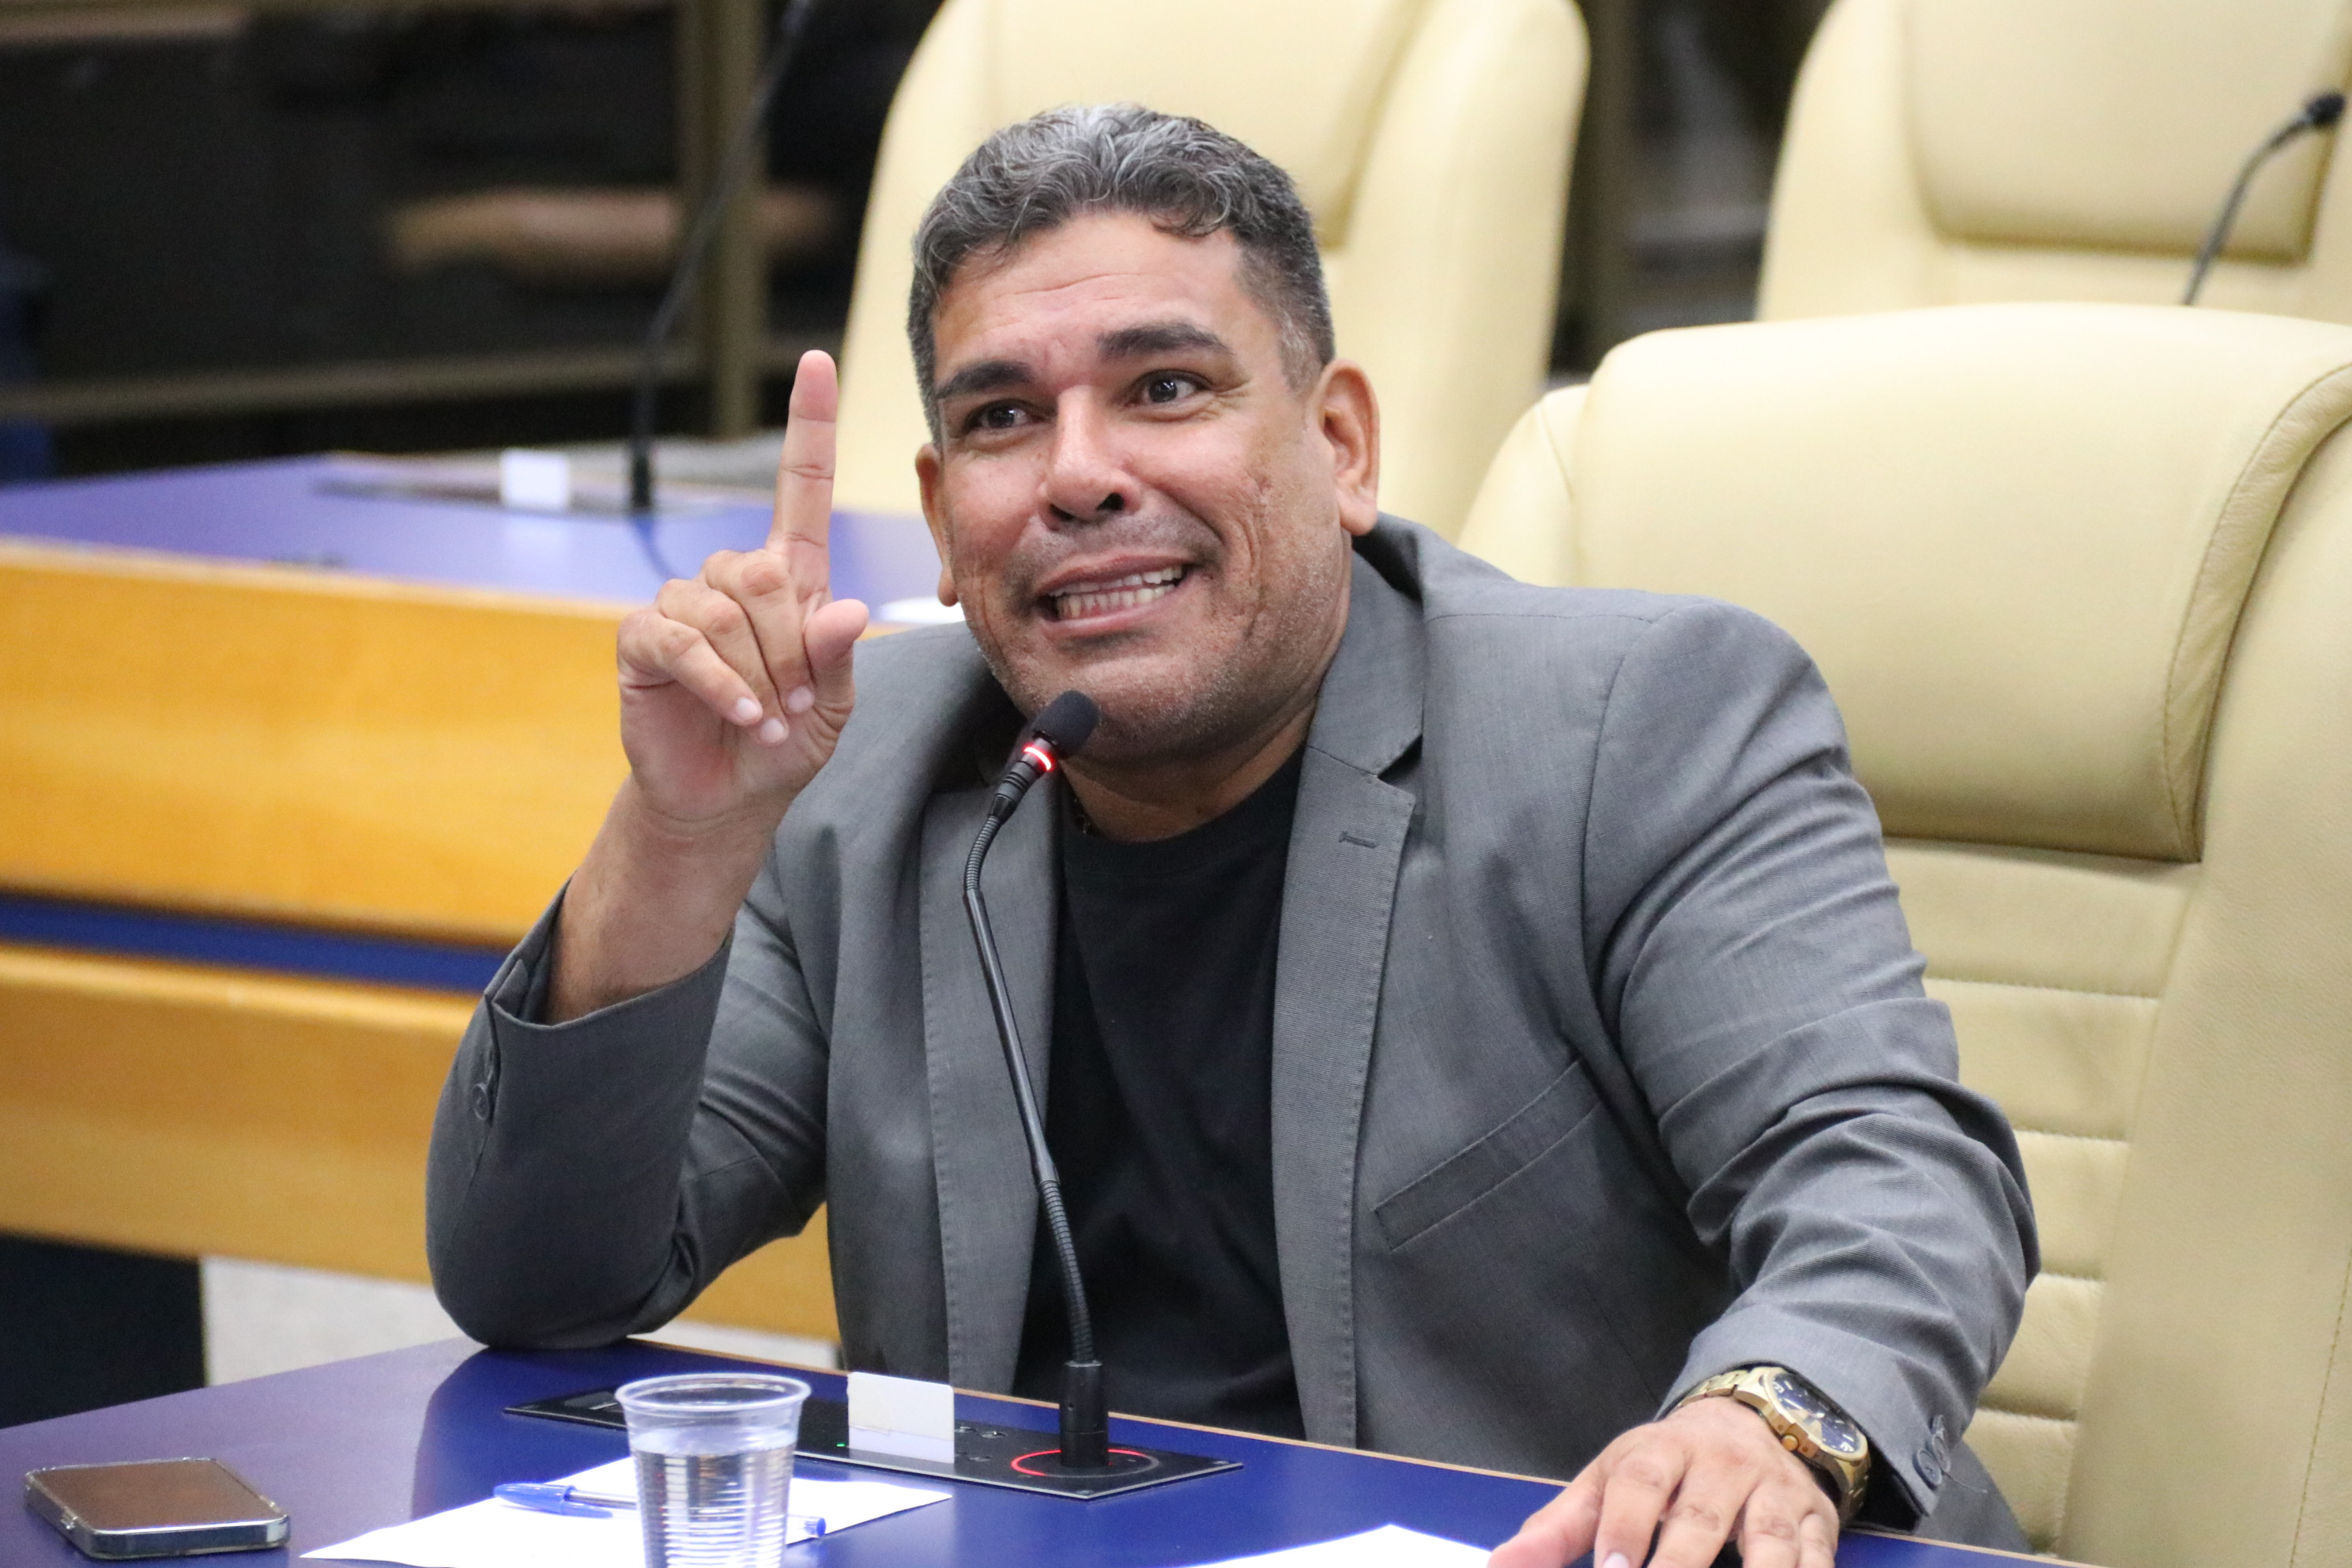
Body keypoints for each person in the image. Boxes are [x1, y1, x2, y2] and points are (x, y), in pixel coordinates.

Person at [426, 104, 2036, 1568]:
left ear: (1340, 446)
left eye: (1166, 389)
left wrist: (1763, 1418)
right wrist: (680, 833)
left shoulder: (1637, 721)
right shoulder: (864, 771)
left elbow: (1890, 1172)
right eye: (1004, 417)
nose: (1079, 475)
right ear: (941, 519)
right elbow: (542, 1285)